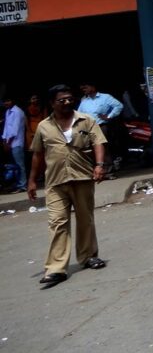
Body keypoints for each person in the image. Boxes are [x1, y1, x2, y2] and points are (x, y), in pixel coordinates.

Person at [28, 85, 108, 287]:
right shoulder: (44, 127)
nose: (67, 102)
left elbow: (98, 142)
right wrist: (31, 181)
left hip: (82, 177)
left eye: (70, 99)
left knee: (85, 219)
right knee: (57, 222)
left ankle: (88, 256)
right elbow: (38, 154)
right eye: (61, 100)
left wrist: (99, 165)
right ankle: (56, 269)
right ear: (52, 103)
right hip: (55, 182)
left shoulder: (86, 120)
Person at [78, 81, 124, 168]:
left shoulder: (105, 97)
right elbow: (78, 114)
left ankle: (108, 168)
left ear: (93, 87)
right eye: (82, 88)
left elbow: (119, 106)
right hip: (89, 128)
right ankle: (101, 168)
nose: (84, 89)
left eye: (86, 87)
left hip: (101, 126)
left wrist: (109, 116)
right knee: (93, 149)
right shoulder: (84, 101)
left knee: (103, 147)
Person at [2, 96, 28, 192]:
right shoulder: (7, 112)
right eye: (5, 102)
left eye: (8, 101)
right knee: (13, 166)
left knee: (20, 165)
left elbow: (15, 130)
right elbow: (6, 128)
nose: (6, 103)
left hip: (16, 142)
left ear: (12, 101)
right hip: (9, 143)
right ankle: (17, 184)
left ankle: (23, 185)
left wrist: (8, 143)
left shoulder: (17, 112)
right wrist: (4, 141)